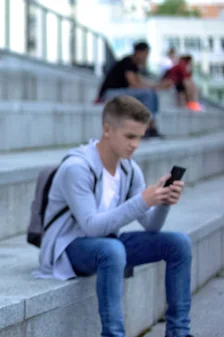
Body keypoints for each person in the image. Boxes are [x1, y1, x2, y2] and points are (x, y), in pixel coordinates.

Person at [35, 96, 193, 337]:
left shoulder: (129, 168)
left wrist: (162, 201)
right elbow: (90, 227)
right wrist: (142, 201)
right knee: (112, 249)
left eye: (140, 137)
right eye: (130, 136)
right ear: (107, 130)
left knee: (179, 243)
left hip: (107, 244)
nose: (136, 144)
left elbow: (151, 225)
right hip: (67, 247)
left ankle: (179, 332)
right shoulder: (77, 167)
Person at [97, 42, 169, 138]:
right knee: (148, 94)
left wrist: (157, 87)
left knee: (151, 93)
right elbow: (134, 84)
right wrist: (153, 88)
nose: (146, 58)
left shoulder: (134, 65)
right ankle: (145, 128)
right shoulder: (128, 62)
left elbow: (141, 83)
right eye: (145, 54)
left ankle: (151, 127)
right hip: (111, 93)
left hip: (119, 92)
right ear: (139, 52)